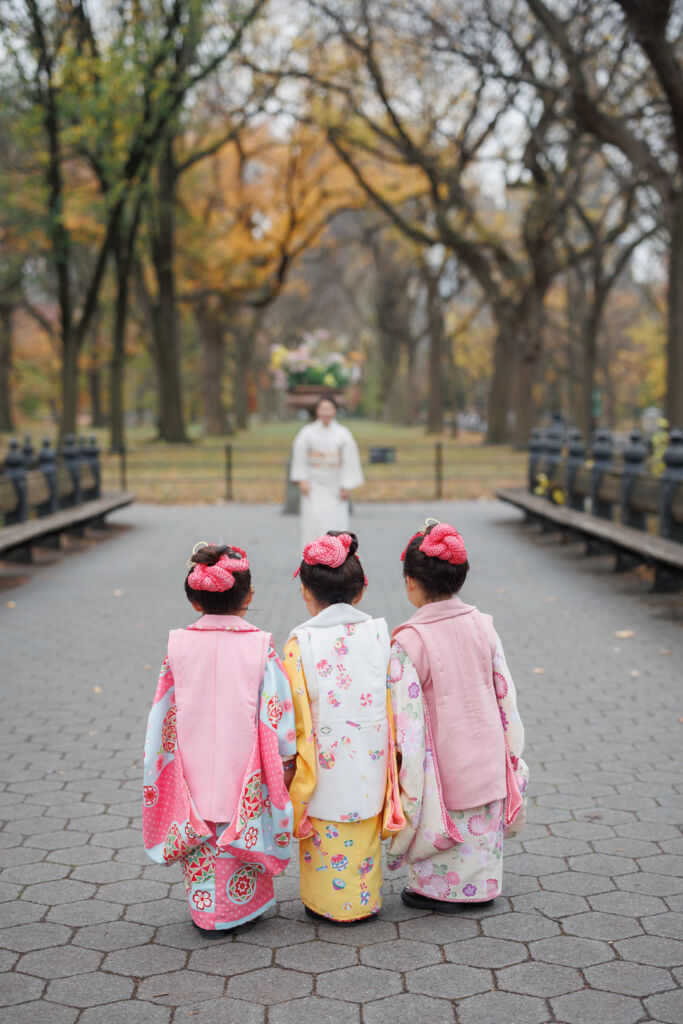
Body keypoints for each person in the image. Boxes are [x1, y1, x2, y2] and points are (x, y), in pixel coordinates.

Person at [142, 542, 297, 937]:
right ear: (248, 596)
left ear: (194, 600)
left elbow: (164, 708)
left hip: (191, 765)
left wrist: (160, 760)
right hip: (243, 763)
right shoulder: (259, 644)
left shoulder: (178, 644)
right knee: (241, 832)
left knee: (201, 839)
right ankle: (243, 909)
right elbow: (277, 708)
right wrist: (286, 755)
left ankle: (207, 912)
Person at [387, 521, 528, 910]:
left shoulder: (410, 641)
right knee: (480, 829)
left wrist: (404, 768)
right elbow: (505, 693)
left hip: (443, 767)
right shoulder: (484, 626)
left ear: (411, 583)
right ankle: (482, 886)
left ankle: (436, 890)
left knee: (444, 821)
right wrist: (511, 750)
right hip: (486, 756)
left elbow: (407, 718)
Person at [281, 531, 404, 923]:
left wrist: (288, 762)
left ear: (304, 590)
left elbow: (293, 710)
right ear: (361, 590)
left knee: (325, 834)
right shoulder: (380, 634)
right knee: (363, 831)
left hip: (323, 762)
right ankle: (364, 901)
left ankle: (324, 904)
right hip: (370, 753)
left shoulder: (301, 642)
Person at [290, 397, 365, 548]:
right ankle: (312, 557)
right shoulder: (307, 432)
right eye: (322, 408)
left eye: (329, 408)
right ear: (317, 411)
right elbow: (300, 455)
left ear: (335, 411)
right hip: (313, 482)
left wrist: (346, 485)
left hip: (335, 483)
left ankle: (338, 555)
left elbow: (349, 460)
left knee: (336, 521)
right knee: (313, 522)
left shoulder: (343, 433)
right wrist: (302, 479)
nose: (325, 412)